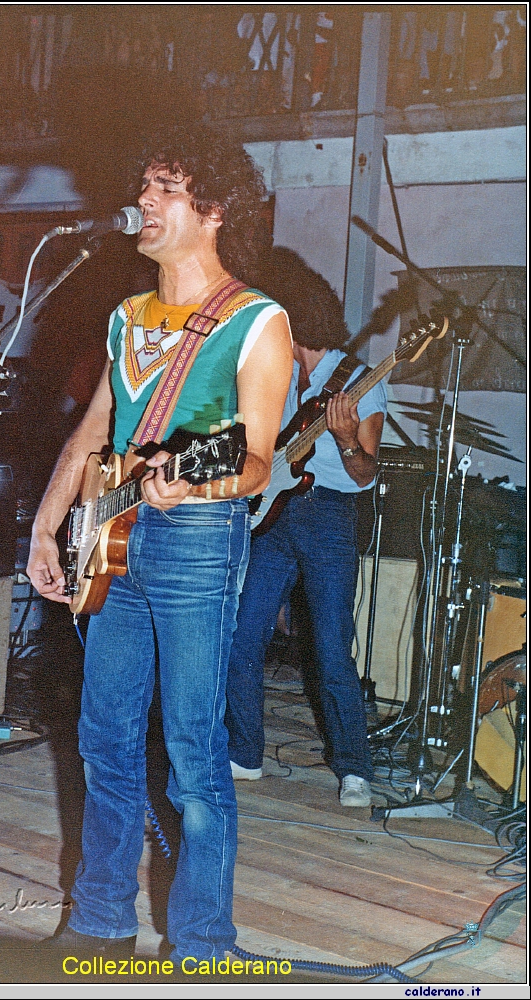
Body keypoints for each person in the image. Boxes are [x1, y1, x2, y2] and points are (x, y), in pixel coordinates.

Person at [27, 127, 292, 963]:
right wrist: (44, 525)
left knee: (192, 753)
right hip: (111, 542)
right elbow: (91, 435)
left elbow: (254, 459)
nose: (143, 201)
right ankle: (100, 919)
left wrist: (195, 480)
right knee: (102, 737)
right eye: (144, 184)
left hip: (195, 546)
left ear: (211, 210)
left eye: (164, 188)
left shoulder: (257, 321)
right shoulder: (127, 317)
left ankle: (203, 946)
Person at [225, 249, 386, 808]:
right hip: (273, 516)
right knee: (241, 635)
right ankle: (243, 753)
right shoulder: (277, 376)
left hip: (329, 515)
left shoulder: (359, 381)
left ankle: (354, 769)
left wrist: (344, 440)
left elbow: (365, 475)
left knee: (330, 646)